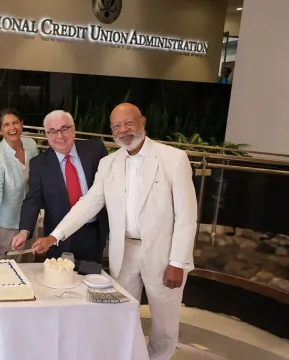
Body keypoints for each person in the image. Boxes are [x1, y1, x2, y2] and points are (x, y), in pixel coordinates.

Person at [30, 103, 197, 360]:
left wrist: (178, 262)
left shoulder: (173, 159)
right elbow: (88, 203)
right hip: (124, 252)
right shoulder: (108, 164)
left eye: (128, 123)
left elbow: (187, 217)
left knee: (164, 324)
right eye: (117, 126)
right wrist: (55, 235)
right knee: (122, 314)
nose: (123, 131)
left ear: (142, 121)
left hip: (163, 255)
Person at [12, 110, 109, 263]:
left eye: (64, 129)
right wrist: (24, 231)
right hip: (57, 239)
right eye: (52, 131)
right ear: (46, 134)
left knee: (91, 280)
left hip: (93, 233)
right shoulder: (39, 164)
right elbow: (33, 200)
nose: (59, 136)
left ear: (73, 129)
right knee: (59, 282)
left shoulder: (95, 150)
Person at [0, 108, 40, 259]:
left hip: (31, 217)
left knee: (30, 261)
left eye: (15, 123)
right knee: (11, 265)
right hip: (9, 224)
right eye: (6, 125)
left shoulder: (31, 145)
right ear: (0, 130)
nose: (12, 128)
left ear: (22, 124)